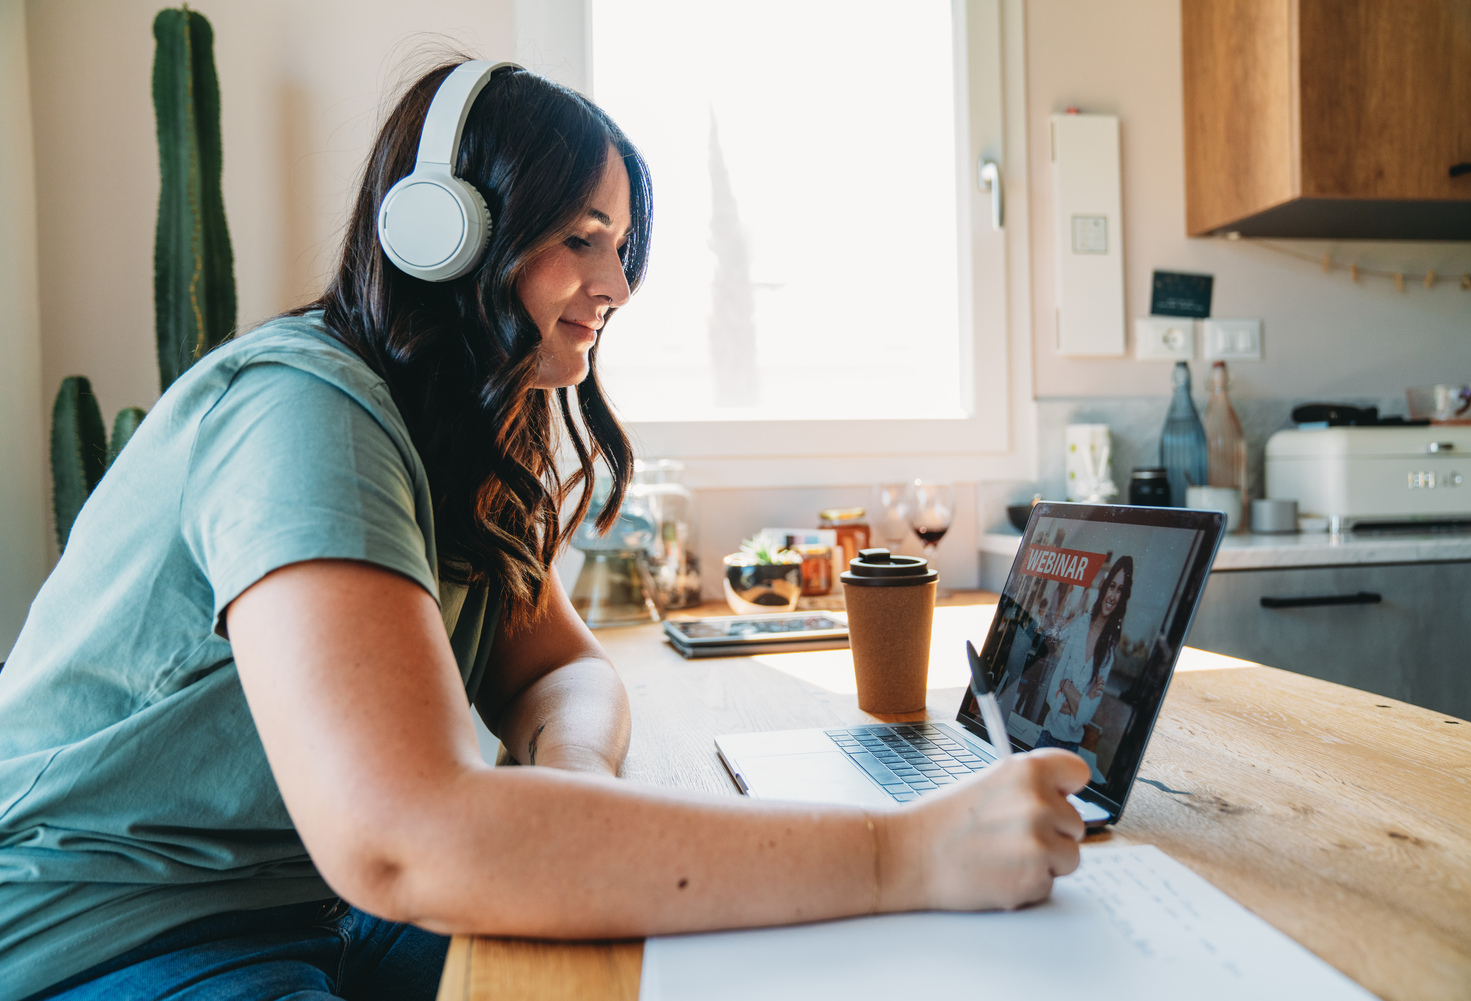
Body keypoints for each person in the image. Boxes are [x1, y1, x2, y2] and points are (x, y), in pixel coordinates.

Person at [0, 61, 1090, 1001]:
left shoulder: (451, 436)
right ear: (442, 230)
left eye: (620, 246)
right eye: (582, 238)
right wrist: (902, 852)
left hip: (302, 904)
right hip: (106, 928)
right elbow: (405, 837)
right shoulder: (301, 413)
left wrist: (571, 769)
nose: (617, 284)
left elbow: (559, 666)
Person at [1035, 557, 1134, 753]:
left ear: (1123, 598)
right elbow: (1053, 691)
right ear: (1105, 587)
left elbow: (1084, 717)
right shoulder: (1081, 623)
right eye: (1112, 586)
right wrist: (1080, 699)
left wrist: (1066, 686)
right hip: (1046, 738)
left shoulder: (1109, 650)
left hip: (1070, 749)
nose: (1113, 596)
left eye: (1120, 590)